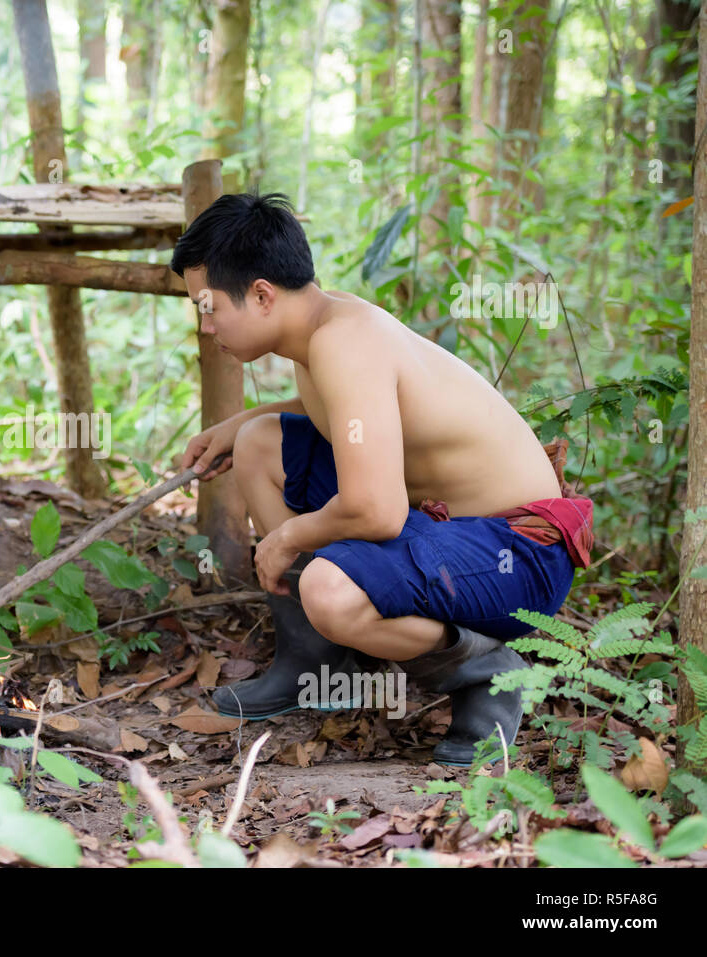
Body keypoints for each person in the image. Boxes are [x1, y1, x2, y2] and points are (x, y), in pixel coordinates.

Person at [172, 192, 593, 767]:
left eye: (208, 306)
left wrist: (286, 539)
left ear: (263, 295)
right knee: (260, 444)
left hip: (516, 555)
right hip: (449, 531)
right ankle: (316, 660)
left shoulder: (344, 342)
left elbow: (376, 512)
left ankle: (486, 672)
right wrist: (237, 423)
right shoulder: (322, 323)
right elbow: (348, 406)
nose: (205, 324)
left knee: (329, 588)